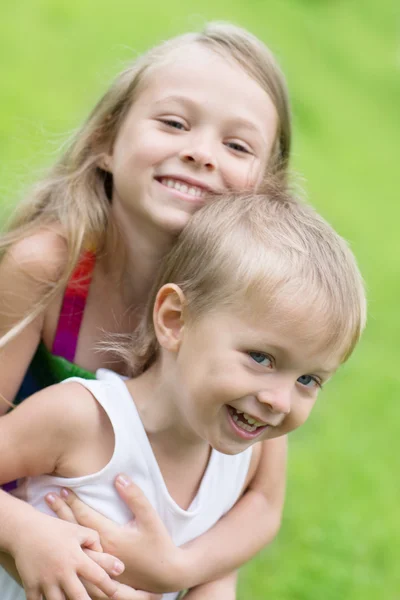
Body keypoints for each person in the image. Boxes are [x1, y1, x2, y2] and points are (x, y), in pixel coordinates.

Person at [0, 20, 293, 600]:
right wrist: (24, 531)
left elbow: (260, 497)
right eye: (174, 123)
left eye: (236, 146)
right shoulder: (48, 267)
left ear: (267, 189)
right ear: (108, 140)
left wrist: (184, 573)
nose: (200, 153)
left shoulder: (253, 305)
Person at [0, 189, 366, 600]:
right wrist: (24, 533)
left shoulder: (243, 458)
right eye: (261, 358)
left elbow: (260, 514)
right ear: (175, 321)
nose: (279, 402)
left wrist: (194, 580)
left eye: (308, 380)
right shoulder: (82, 419)